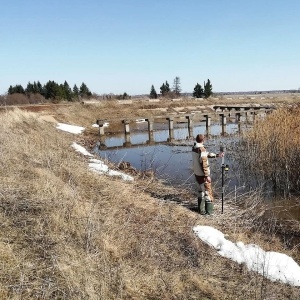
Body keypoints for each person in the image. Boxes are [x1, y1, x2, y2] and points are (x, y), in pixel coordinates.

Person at [192, 134, 224, 215]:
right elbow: (204, 162)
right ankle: (209, 213)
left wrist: (217, 155)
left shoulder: (194, 147)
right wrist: (207, 176)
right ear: (203, 140)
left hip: (197, 174)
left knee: (200, 192)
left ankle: (201, 210)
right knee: (208, 193)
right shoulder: (201, 149)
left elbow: (205, 154)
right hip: (203, 176)